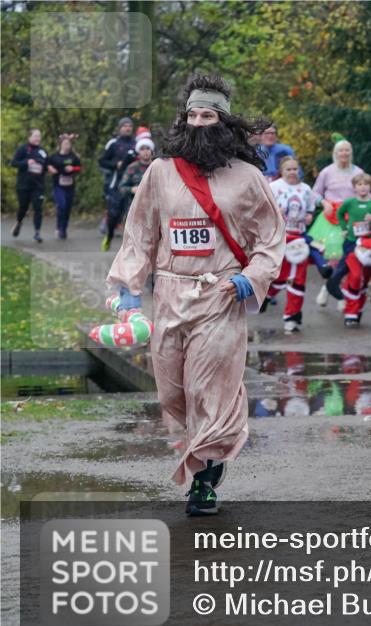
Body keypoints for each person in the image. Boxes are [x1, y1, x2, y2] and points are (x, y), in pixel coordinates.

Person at [105, 73, 284, 516]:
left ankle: (203, 480)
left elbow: (271, 237)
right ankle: (204, 451)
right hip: (169, 294)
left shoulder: (246, 178)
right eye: (193, 114)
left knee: (209, 388)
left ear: (223, 122)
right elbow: (139, 235)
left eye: (208, 115)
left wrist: (251, 277)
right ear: (183, 120)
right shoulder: (160, 173)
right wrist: (129, 294)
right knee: (173, 395)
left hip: (219, 296)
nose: (200, 121)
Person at [318, 172, 371, 316]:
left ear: (370, 187)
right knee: (349, 271)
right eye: (359, 185)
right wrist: (344, 228)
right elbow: (339, 214)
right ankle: (335, 287)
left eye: (366, 184)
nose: (363, 188)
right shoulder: (350, 202)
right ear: (354, 187)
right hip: (351, 242)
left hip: (369, 245)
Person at [264, 156, 320, 333]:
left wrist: (310, 216)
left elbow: (310, 209)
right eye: (289, 169)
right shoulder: (274, 187)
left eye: (295, 169)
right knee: (280, 274)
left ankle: (292, 315)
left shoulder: (305, 189)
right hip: (280, 237)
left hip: (299, 238)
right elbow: (262, 209)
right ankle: (267, 294)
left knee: (299, 278)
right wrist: (275, 212)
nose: (292, 172)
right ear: (282, 171)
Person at [103, 136, 155, 251]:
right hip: (135, 208)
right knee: (136, 238)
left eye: (148, 148)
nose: (145, 151)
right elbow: (121, 187)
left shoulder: (157, 166)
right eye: (142, 149)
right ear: (138, 152)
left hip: (155, 207)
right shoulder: (132, 168)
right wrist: (132, 189)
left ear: (152, 150)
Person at [9, 128, 48, 242]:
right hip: (24, 185)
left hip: (38, 186)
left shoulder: (43, 151)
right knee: (23, 207)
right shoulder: (23, 149)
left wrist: (49, 168)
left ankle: (37, 233)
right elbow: (13, 163)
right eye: (35, 136)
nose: (37, 138)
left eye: (39, 136)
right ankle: (19, 222)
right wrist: (26, 162)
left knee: (38, 208)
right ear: (29, 137)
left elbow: (47, 165)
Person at [46, 134, 82, 240]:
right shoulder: (54, 157)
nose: (67, 146)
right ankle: (58, 227)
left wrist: (73, 169)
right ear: (61, 145)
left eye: (69, 144)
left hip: (70, 186)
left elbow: (79, 168)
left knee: (67, 208)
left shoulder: (73, 157)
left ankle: (63, 229)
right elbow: (47, 165)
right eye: (65, 144)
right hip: (58, 186)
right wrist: (51, 169)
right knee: (61, 205)